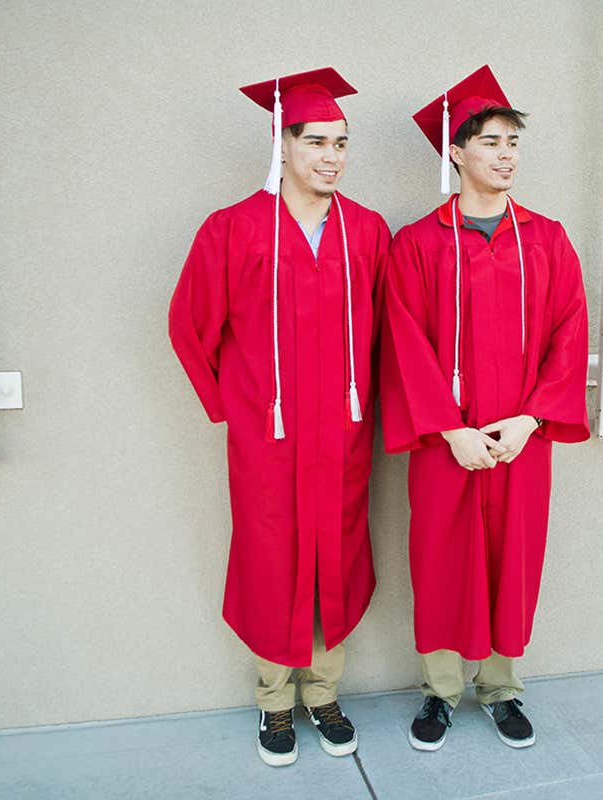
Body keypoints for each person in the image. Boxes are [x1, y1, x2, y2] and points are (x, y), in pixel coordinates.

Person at [168, 67, 390, 767]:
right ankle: (273, 702)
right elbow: (188, 325)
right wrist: (230, 406)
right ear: (282, 142)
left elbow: (390, 332)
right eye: (317, 141)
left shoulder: (367, 230)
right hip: (269, 436)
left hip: (343, 435)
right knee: (272, 562)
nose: (332, 156)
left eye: (342, 143)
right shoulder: (232, 229)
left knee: (337, 557)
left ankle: (322, 692)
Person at [381, 65, 590, 752]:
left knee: (513, 559)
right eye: (490, 141)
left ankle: (501, 687)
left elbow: (570, 331)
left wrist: (532, 419)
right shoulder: (417, 244)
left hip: (521, 440)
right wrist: (448, 429)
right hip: (450, 443)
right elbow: (403, 343)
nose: (505, 154)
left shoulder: (548, 240)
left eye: (513, 141)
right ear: (457, 151)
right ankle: (440, 691)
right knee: (442, 558)